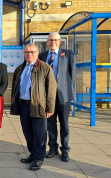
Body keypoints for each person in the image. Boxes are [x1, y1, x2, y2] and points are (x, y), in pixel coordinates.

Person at [10, 43, 57, 171]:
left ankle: (38, 159)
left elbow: (52, 90)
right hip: (23, 106)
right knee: (28, 134)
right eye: (26, 52)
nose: (29, 54)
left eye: (31, 52)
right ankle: (32, 154)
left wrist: (50, 108)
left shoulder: (45, 68)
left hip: (38, 106)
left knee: (40, 135)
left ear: (37, 52)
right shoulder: (20, 68)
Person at [39, 32, 76, 162]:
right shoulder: (42, 56)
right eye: (50, 40)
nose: (52, 42)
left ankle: (65, 150)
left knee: (64, 124)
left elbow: (72, 74)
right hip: (48, 96)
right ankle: (53, 148)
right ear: (47, 42)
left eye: (55, 40)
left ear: (59, 42)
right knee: (50, 124)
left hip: (63, 95)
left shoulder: (68, 54)